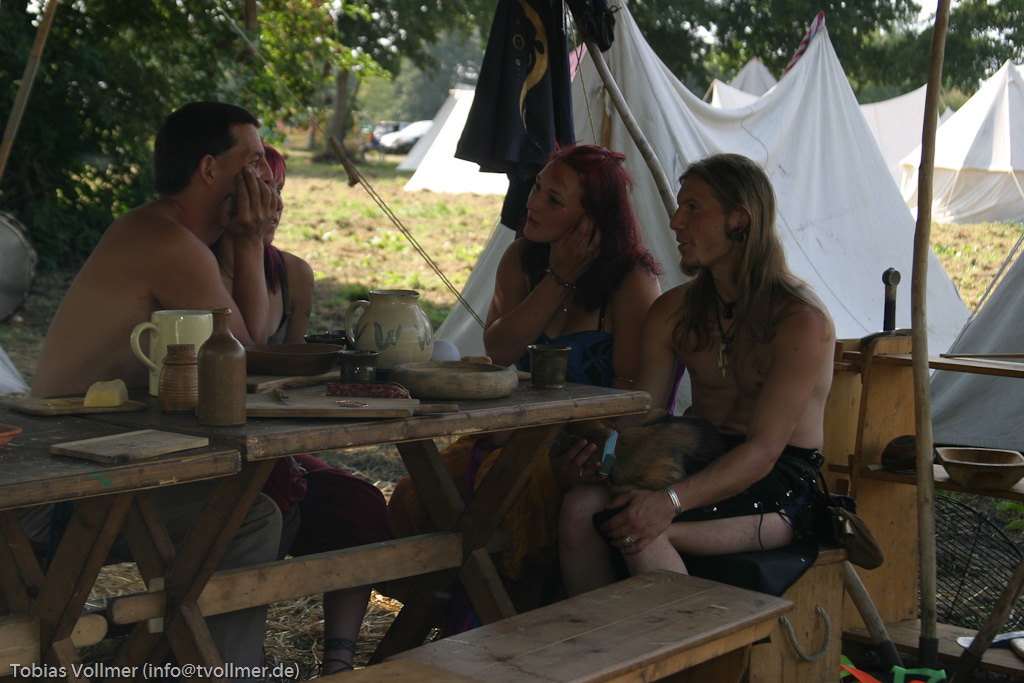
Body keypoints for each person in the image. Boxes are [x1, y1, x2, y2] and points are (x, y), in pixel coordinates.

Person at [26, 101, 285, 673]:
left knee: (265, 505)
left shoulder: (175, 235)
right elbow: (247, 356)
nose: (266, 174)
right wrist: (250, 242)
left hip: (98, 468)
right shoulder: (164, 240)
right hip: (51, 489)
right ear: (210, 170)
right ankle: (217, 670)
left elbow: (250, 342)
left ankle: (186, 657)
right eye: (253, 161)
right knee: (250, 518)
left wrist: (248, 242)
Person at [387, 144, 662, 620]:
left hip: (590, 449)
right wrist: (559, 277)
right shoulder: (520, 259)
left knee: (508, 505)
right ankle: (441, 624)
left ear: (590, 221)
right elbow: (499, 353)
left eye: (554, 199)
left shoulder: (631, 281)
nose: (532, 203)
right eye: (536, 187)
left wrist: (582, 452)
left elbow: (633, 401)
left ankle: (502, 630)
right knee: (414, 495)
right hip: (512, 439)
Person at [557, 153, 835, 596]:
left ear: (739, 220)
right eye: (678, 206)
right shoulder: (674, 311)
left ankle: (680, 642)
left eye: (693, 208)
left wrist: (668, 502)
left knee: (638, 529)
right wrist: (599, 458)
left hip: (778, 482)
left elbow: (764, 450)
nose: (675, 222)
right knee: (578, 507)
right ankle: (598, 639)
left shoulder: (799, 320)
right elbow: (640, 417)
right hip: (695, 455)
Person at [214, 144, 392, 675]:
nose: (273, 208)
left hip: (275, 437)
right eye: (260, 193)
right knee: (264, 503)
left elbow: (293, 375)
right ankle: (231, 655)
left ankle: (338, 660)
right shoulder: (197, 267)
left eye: (278, 192)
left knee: (358, 503)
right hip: (219, 440)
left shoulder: (293, 274)